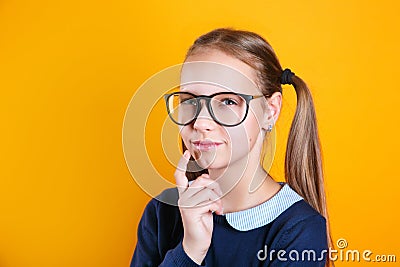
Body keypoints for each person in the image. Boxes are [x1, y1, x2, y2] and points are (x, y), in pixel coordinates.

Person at [131, 28, 333, 266]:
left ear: (270, 111)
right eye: (189, 100)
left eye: (228, 101)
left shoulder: (299, 232)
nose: (201, 122)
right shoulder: (162, 213)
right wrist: (189, 251)